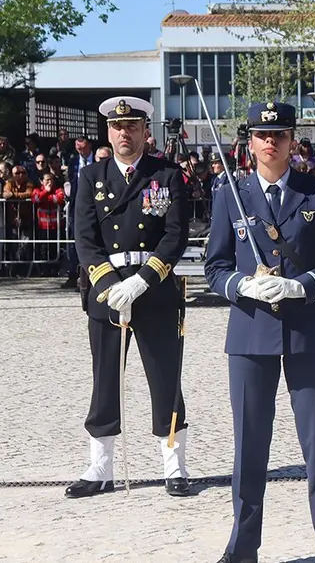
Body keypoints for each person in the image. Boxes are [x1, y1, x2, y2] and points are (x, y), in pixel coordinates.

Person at [204, 101, 315, 563]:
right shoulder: (231, 192)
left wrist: (305, 285)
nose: (271, 142)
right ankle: (243, 545)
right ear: (249, 143)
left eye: (281, 135)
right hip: (251, 334)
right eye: (262, 135)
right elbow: (214, 266)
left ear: (293, 141)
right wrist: (241, 285)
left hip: (307, 330)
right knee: (250, 445)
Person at [67, 96, 193, 499]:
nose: (125, 133)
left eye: (133, 126)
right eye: (118, 127)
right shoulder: (92, 177)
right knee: (105, 381)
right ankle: (99, 467)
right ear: (109, 132)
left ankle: (175, 465)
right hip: (107, 291)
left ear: (144, 131)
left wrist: (141, 282)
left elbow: (175, 235)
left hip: (153, 289)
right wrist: (107, 286)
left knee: (165, 380)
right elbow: (85, 239)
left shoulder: (167, 175)